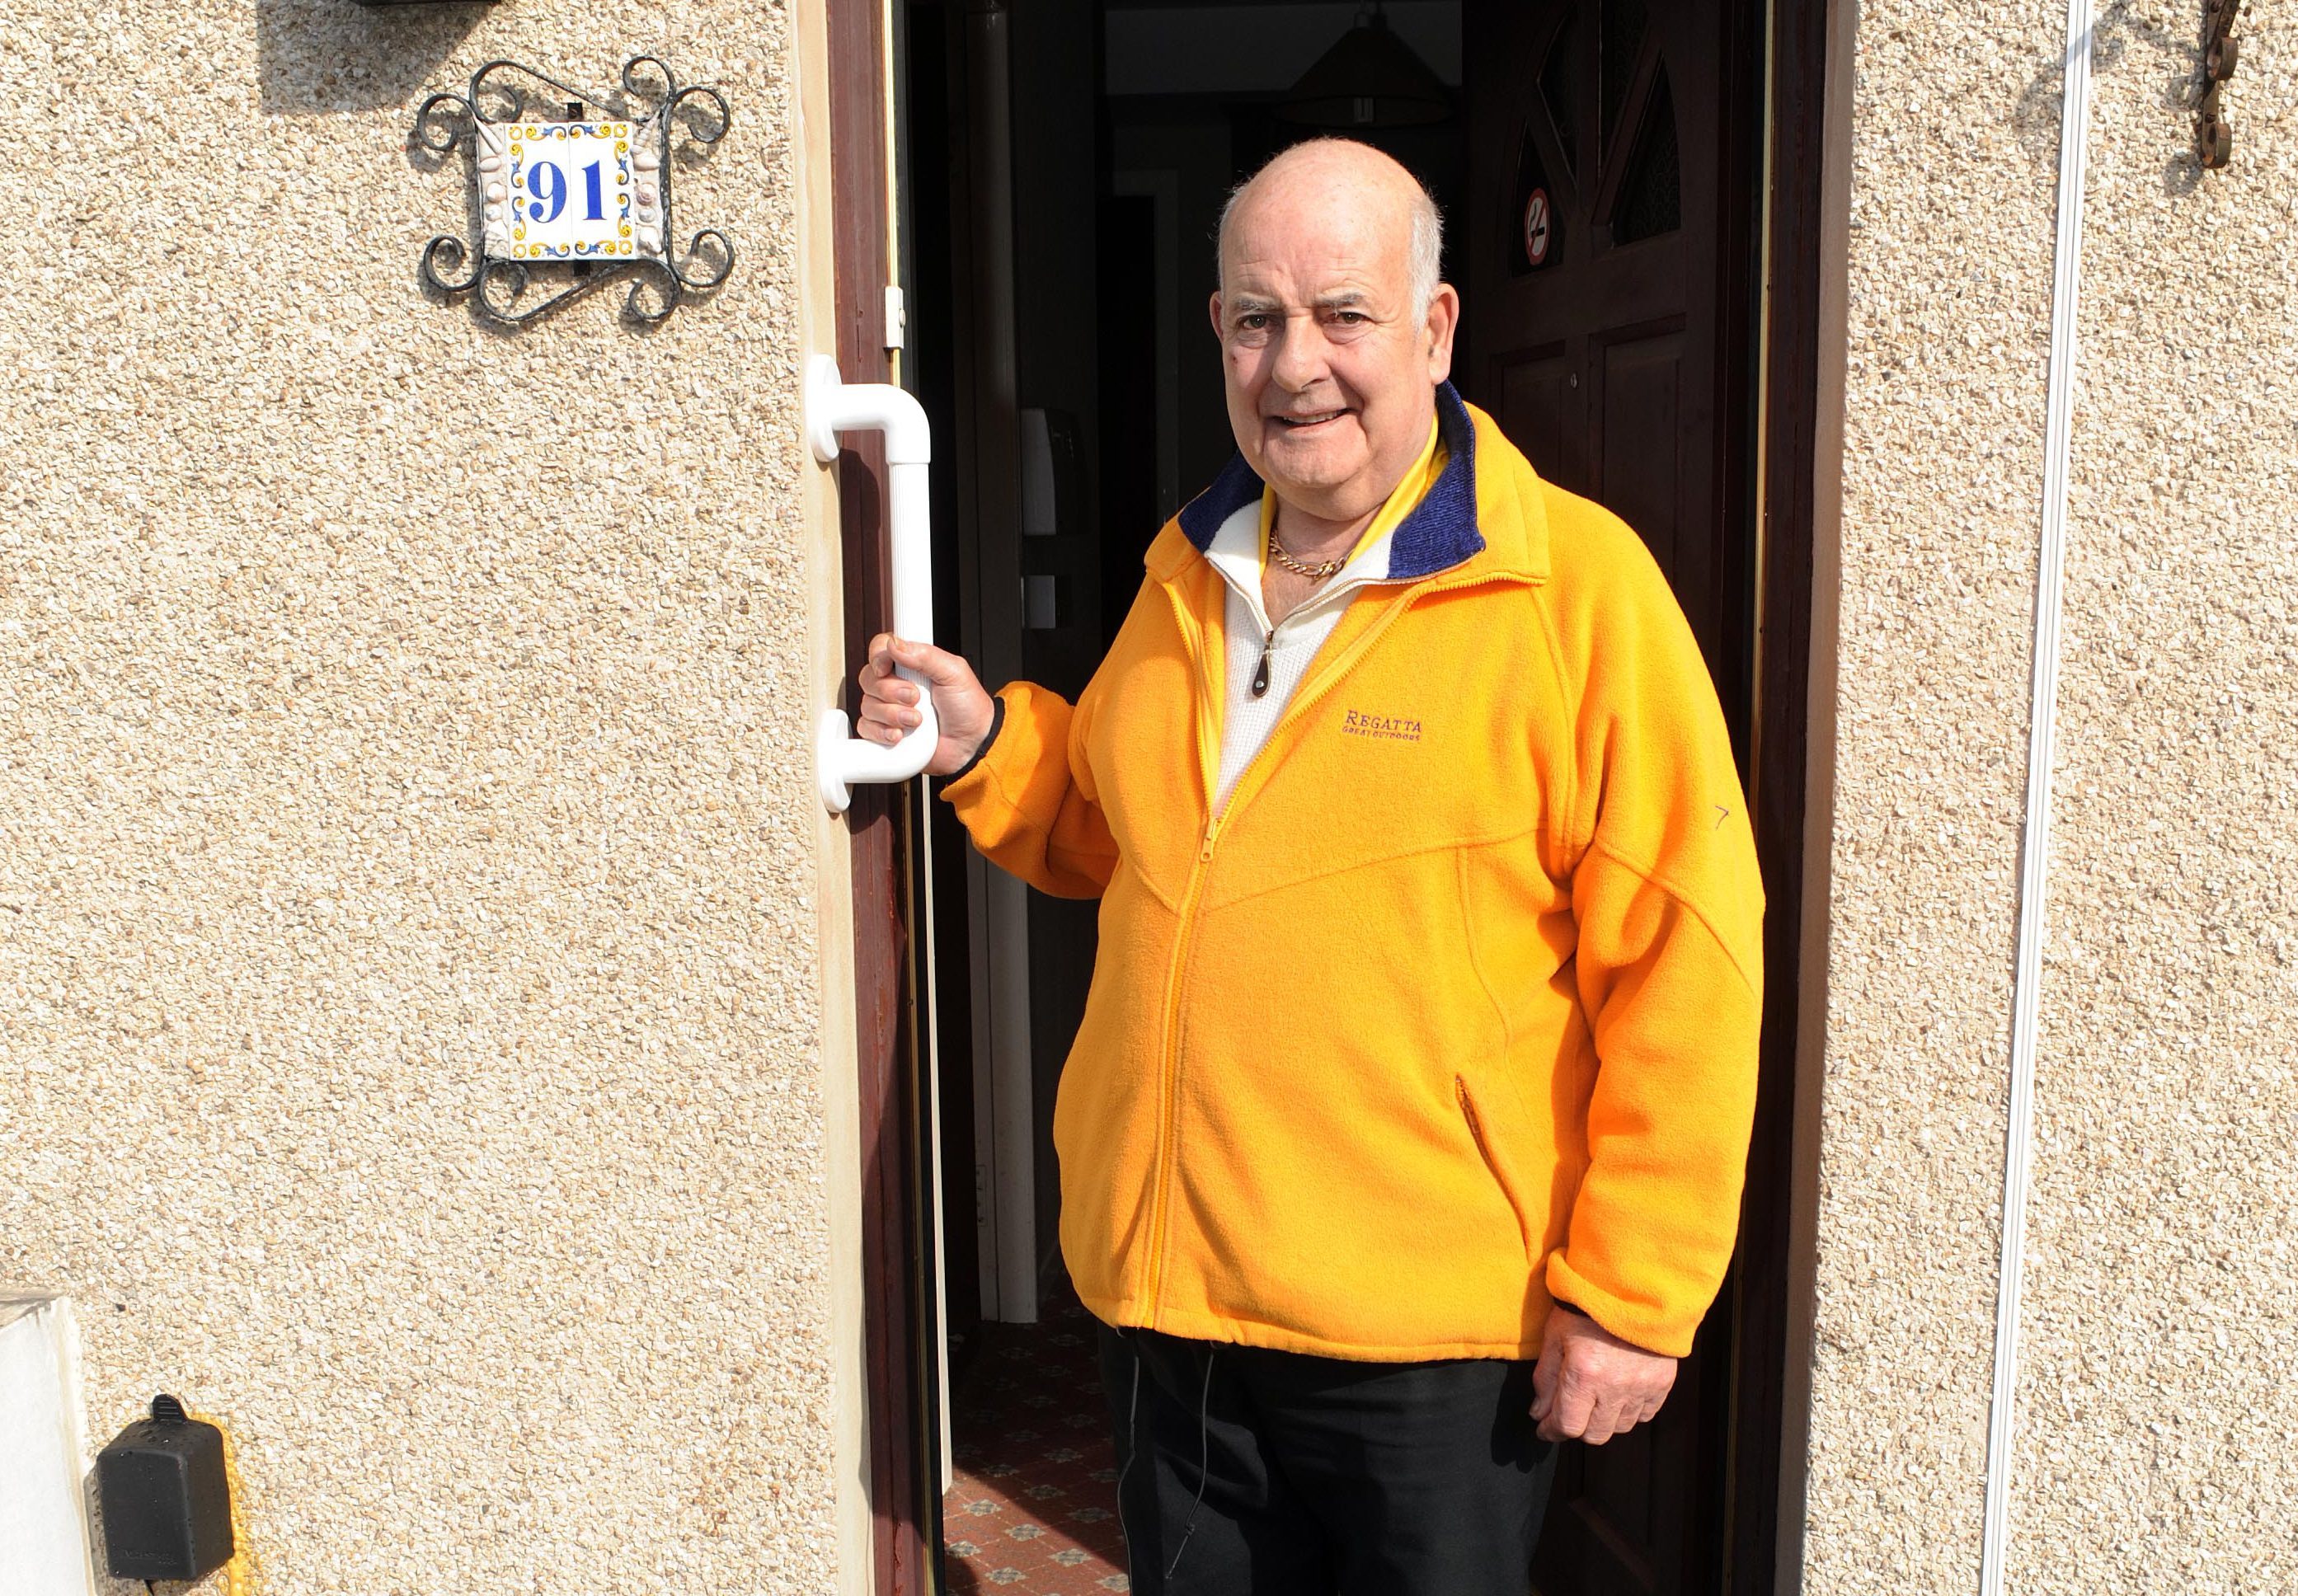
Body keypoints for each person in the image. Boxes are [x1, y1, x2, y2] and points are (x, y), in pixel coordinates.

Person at [853, 138, 1763, 1595]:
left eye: (1343, 313)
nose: (1298, 366)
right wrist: (985, 746)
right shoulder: (1187, 571)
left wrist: (1637, 1298)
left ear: (1437, 327)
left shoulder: (1575, 596)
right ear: (1216, 333)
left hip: (1422, 1348)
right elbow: (1124, 838)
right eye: (1257, 317)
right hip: (1175, 1313)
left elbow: (1688, 959)